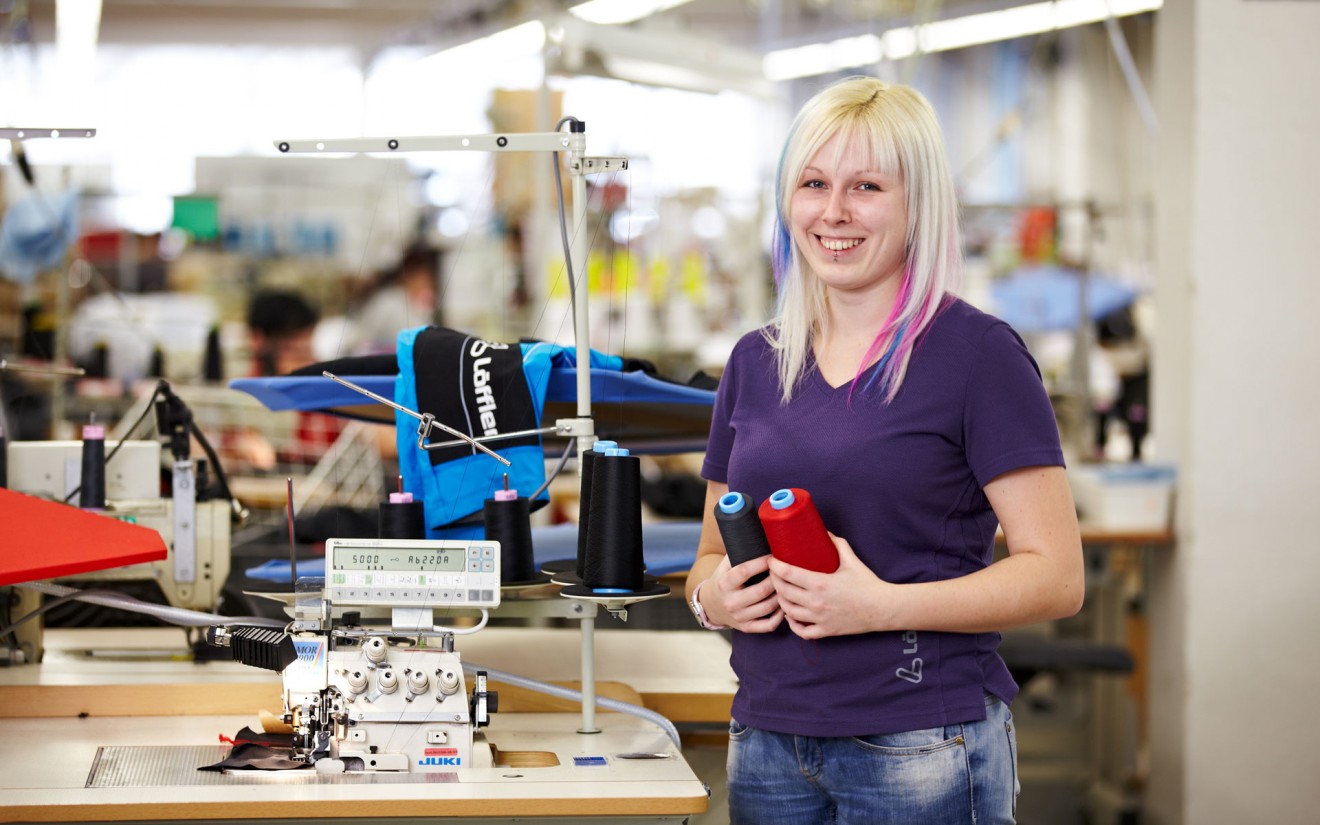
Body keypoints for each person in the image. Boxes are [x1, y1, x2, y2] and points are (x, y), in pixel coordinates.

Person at [685, 76, 1084, 825]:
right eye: (812, 183)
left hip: (921, 744)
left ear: (917, 204)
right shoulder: (755, 361)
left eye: (866, 185)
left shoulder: (977, 356)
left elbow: (1058, 578)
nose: (832, 212)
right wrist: (714, 599)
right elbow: (708, 557)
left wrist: (880, 606)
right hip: (769, 740)